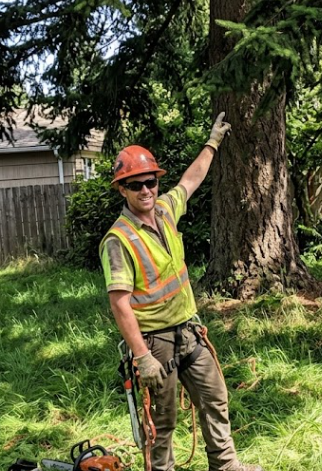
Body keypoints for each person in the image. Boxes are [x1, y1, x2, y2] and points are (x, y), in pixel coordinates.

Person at [99, 113, 262, 471]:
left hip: (188, 329)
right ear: (122, 189)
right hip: (154, 341)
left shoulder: (165, 210)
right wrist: (142, 357)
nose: (146, 190)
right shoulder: (118, 239)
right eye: (135, 184)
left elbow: (191, 180)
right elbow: (120, 304)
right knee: (162, 420)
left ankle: (225, 464)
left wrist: (212, 142)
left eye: (150, 182)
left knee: (215, 396)